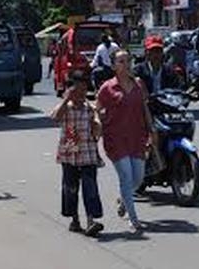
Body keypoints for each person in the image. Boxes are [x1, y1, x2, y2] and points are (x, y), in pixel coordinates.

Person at [97, 50, 156, 235]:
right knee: (126, 176)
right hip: (115, 139)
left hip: (137, 137)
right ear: (114, 66)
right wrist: (99, 124)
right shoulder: (107, 88)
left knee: (138, 179)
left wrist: (152, 130)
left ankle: (124, 198)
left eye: (128, 60)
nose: (126, 64)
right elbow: (97, 109)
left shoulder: (138, 84)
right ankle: (133, 218)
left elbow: (144, 108)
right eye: (121, 61)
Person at [50, 70, 105, 236]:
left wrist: (97, 122)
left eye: (84, 90)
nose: (81, 94)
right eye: (77, 90)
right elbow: (55, 118)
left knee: (90, 188)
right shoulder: (65, 108)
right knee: (70, 188)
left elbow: (98, 130)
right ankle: (75, 219)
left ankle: (91, 221)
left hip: (88, 154)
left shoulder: (90, 109)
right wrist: (66, 99)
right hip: (70, 154)